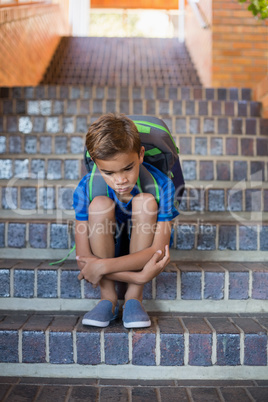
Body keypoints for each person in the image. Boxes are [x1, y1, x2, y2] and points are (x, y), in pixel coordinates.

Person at [73, 113, 179, 328]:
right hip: (107, 242)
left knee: (146, 202)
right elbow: (84, 258)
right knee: (99, 205)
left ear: (140, 155)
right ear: (95, 163)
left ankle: (134, 297)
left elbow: (157, 252)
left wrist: (101, 267)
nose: (120, 180)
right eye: (108, 172)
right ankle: (108, 297)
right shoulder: (87, 187)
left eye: (127, 168)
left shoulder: (162, 185)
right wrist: (138, 275)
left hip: (143, 245)